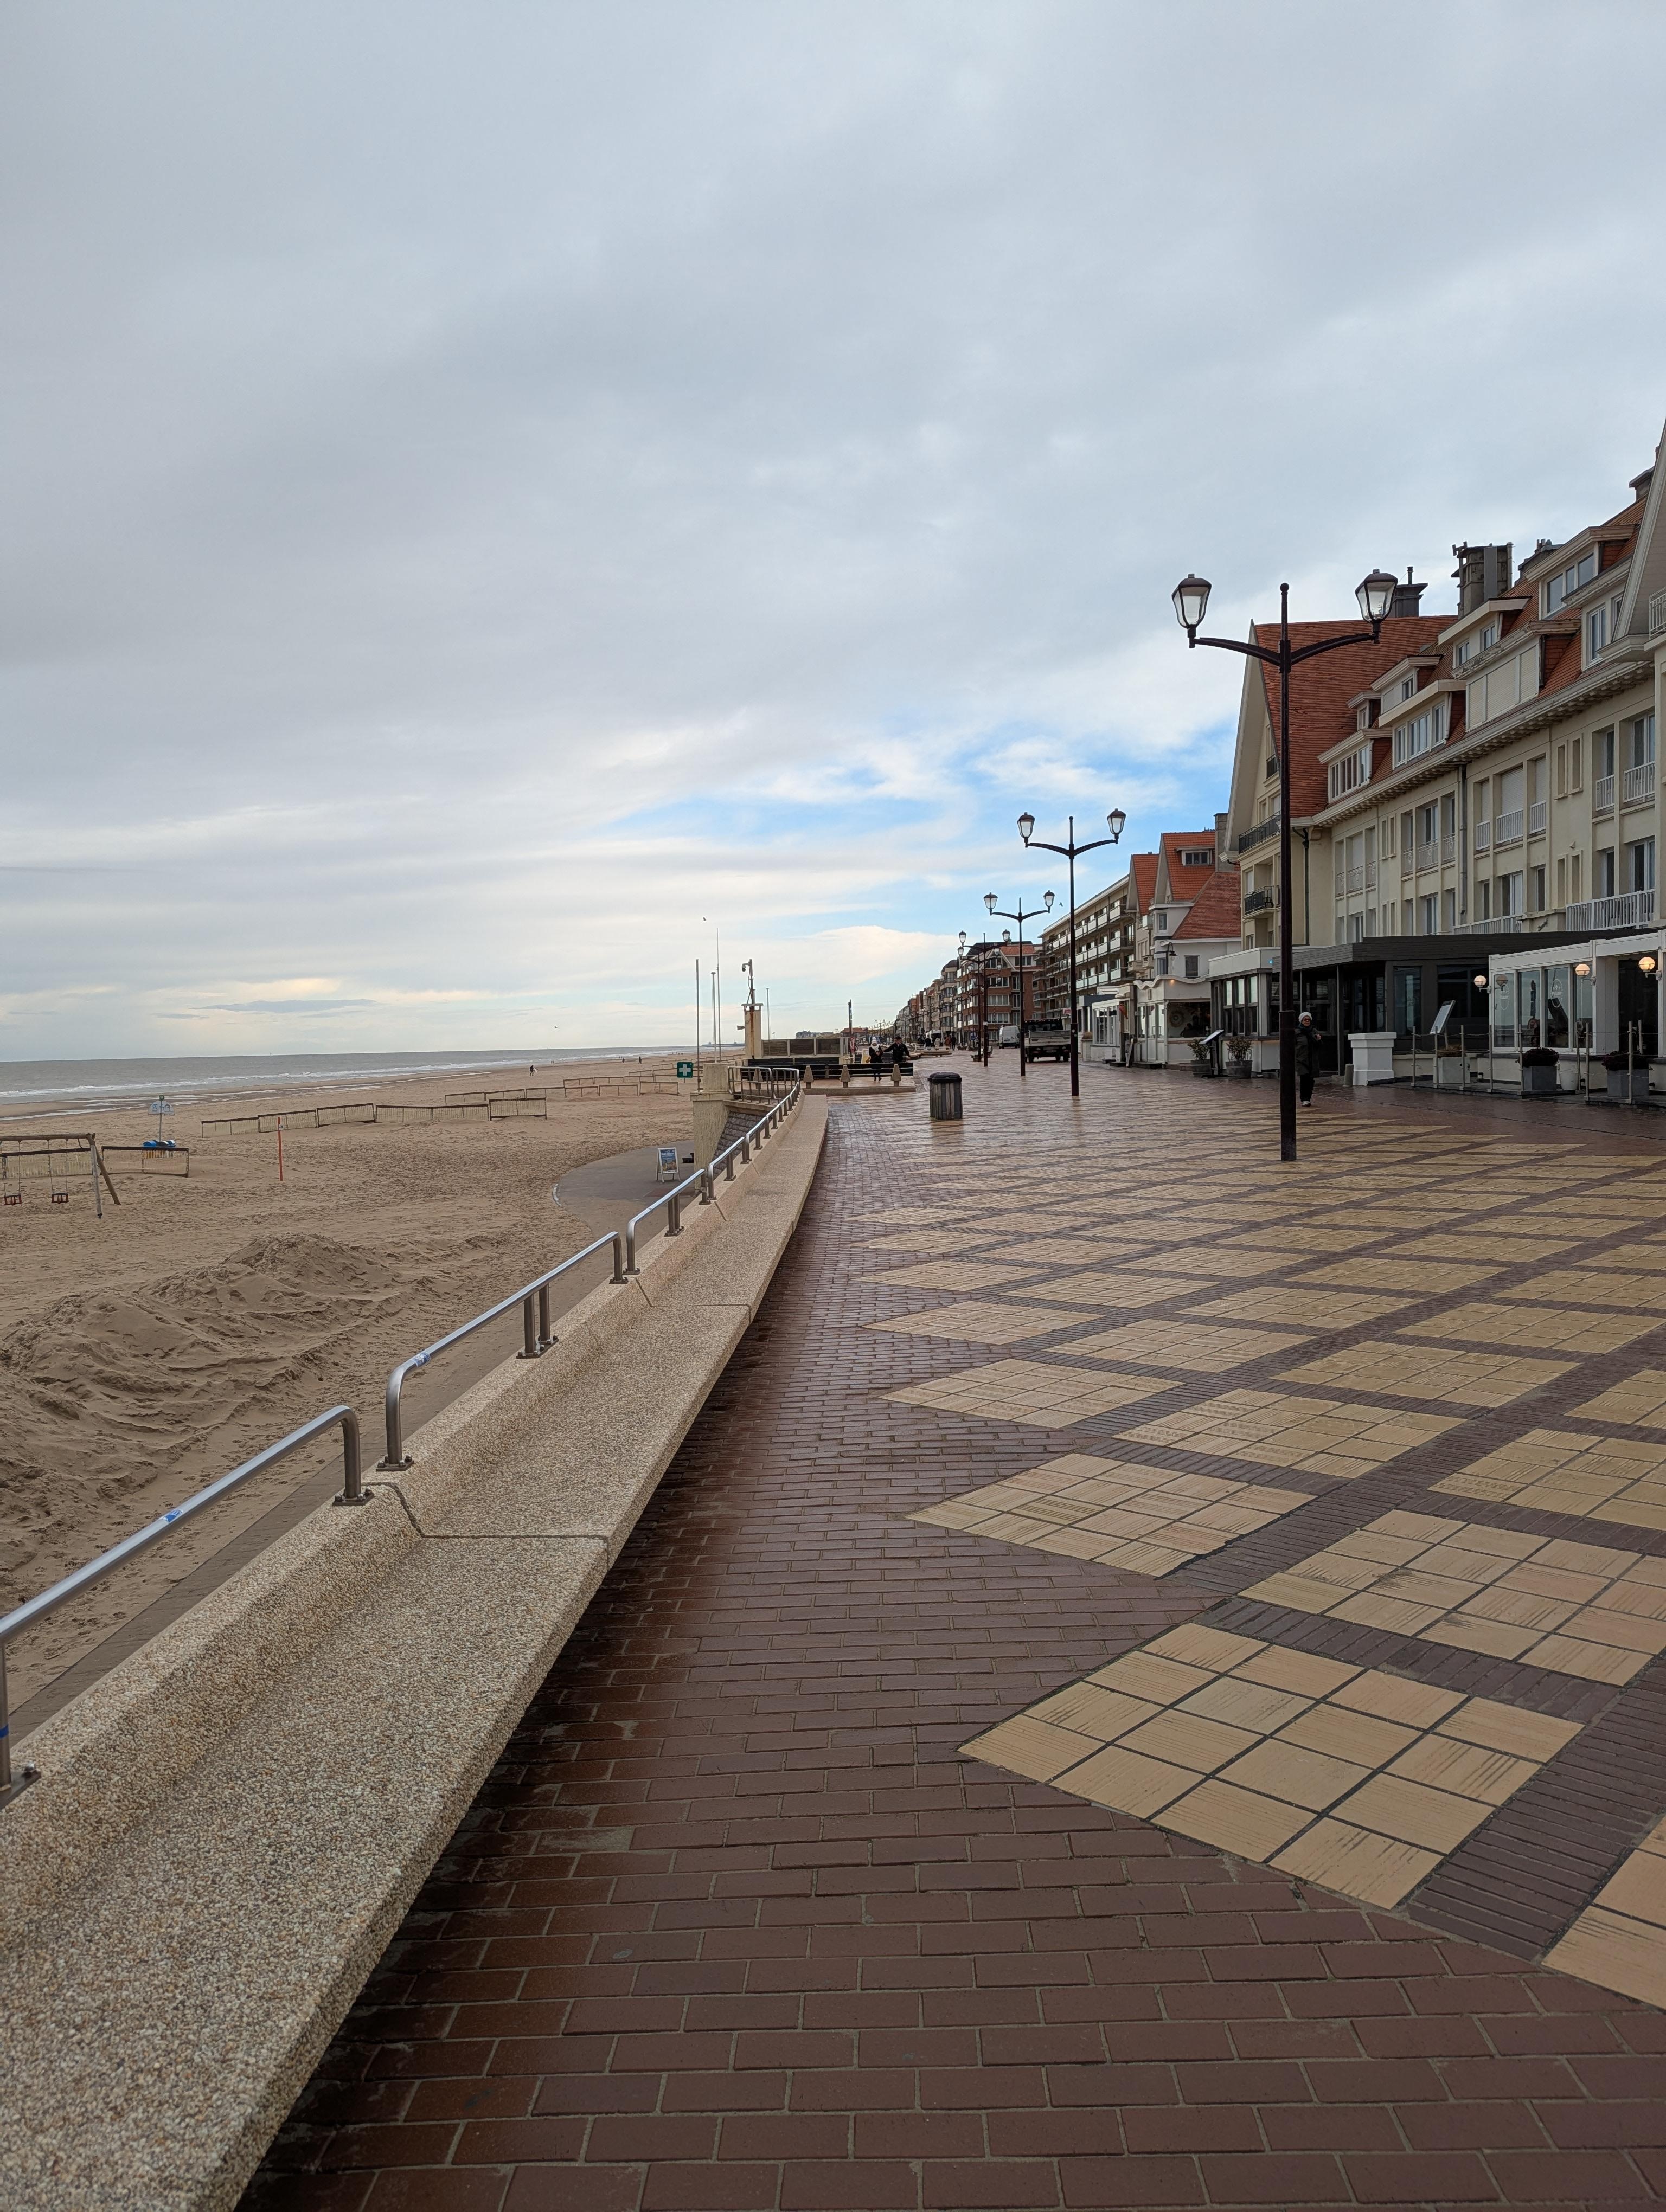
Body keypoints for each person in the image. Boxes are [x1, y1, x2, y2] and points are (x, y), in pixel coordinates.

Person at [1295, 1009, 1321, 1106]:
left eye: (1308, 1020)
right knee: (1304, 1078)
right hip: (1301, 1060)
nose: (1307, 1021)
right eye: (1305, 1020)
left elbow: (1319, 1046)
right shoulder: (1297, 1033)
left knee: (1311, 1080)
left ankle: (1308, 1098)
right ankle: (1304, 1099)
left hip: (1312, 1060)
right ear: (1301, 1021)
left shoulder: (1314, 1031)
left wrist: (1318, 1040)